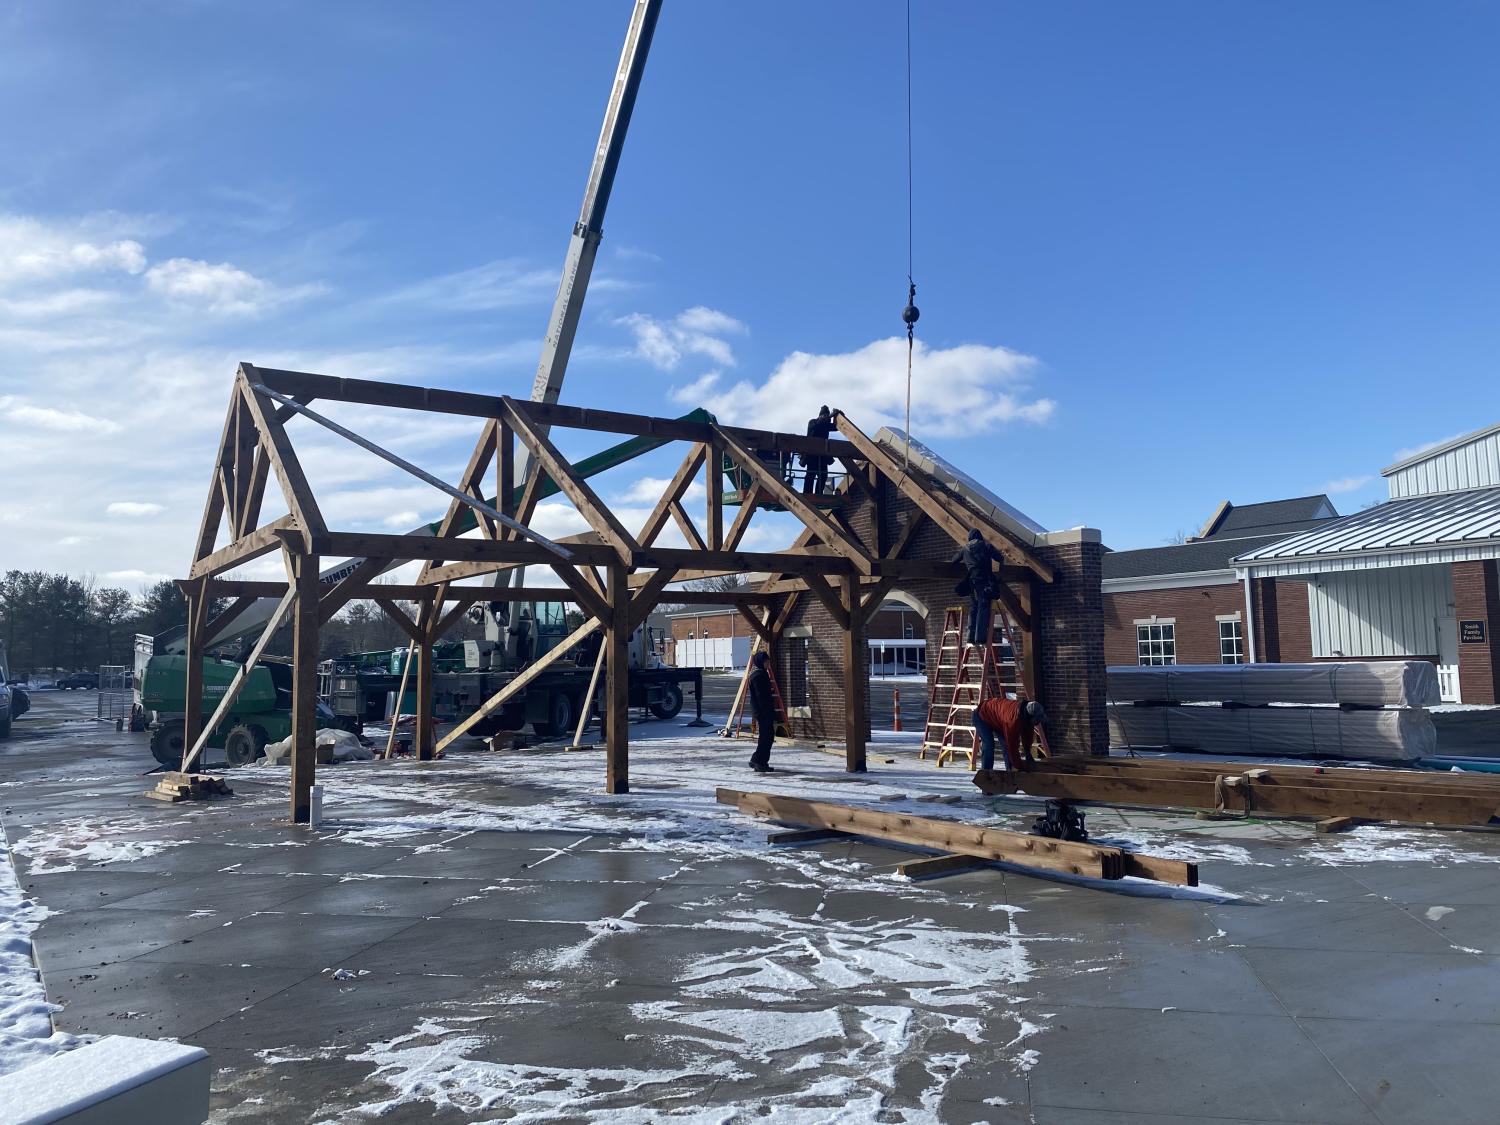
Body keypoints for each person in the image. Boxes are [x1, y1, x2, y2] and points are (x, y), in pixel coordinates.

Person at [952, 528, 1006, 645]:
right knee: (983, 607)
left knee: (973, 608)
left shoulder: (965, 548)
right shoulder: (986, 546)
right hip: (984, 582)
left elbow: (954, 560)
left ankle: (970, 637)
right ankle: (980, 637)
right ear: (980, 536)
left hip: (972, 582)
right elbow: (999, 558)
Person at [973, 696, 1046, 772]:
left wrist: (1027, 751)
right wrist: (1019, 766)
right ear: (1030, 716)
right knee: (989, 745)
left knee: (1006, 745)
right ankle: (986, 773)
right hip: (982, 716)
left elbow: (1028, 735)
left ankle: (1010, 771)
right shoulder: (1012, 721)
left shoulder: (1027, 715)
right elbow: (1012, 746)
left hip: (998, 719)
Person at [746, 650, 778, 773]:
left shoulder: (760, 674)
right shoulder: (759, 676)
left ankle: (757, 759)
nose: (768, 664)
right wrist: (766, 712)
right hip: (763, 711)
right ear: (761, 662)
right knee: (767, 737)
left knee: (766, 736)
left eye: (768, 661)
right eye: (766, 661)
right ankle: (760, 761)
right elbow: (761, 696)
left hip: (762, 711)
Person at [801, 405, 834, 495]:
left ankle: (818, 493)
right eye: (825, 415)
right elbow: (818, 425)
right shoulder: (813, 422)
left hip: (822, 456)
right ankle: (807, 493)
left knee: (823, 475)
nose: (827, 418)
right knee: (810, 475)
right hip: (811, 455)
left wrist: (838, 416)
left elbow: (836, 427)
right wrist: (829, 416)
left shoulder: (826, 425)